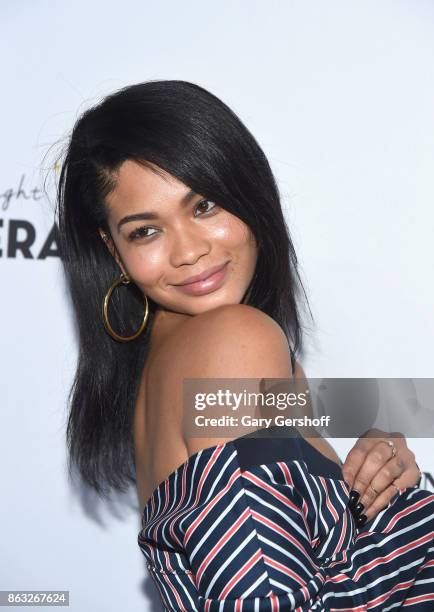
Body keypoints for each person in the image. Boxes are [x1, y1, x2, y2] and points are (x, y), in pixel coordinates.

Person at [55, 80, 434, 610]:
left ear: (247, 190)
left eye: (204, 205)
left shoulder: (199, 361)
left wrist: (377, 493)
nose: (189, 251)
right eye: (145, 231)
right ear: (112, 250)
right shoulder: (232, 339)